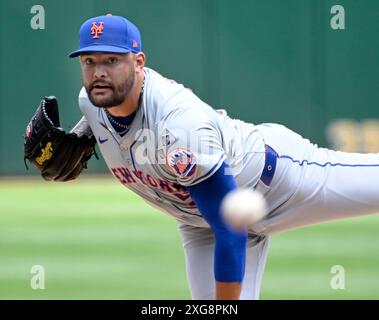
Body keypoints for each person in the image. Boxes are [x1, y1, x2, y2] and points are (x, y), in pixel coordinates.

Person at [66, 14, 379, 300]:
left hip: (278, 178)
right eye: (89, 62)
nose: (99, 72)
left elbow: (231, 226)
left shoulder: (179, 125)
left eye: (112, 60)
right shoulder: (91, 104)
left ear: (139, 62)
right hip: (200, 221)